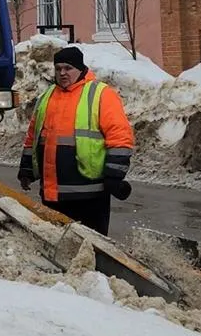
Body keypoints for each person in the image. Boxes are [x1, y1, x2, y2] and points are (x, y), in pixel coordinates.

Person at [17, 46, 134, 236]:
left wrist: (114, 176)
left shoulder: (101, 94)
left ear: (80, 69)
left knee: (91, 246)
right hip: (52, 194)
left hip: (90, 194)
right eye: (58, 68)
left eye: (68, 68)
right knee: (56, 244)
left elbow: (120, 136)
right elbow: (34, 137)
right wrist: (27, 170)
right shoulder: (46, 97)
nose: (62, 73)